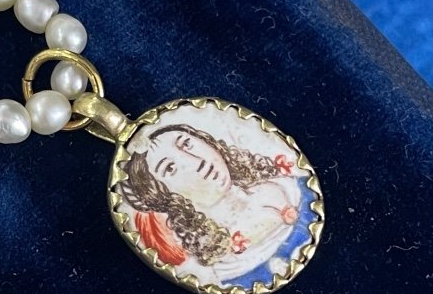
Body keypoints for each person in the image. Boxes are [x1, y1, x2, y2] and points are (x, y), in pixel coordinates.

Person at [118, 121, 303, 285]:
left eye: (187, 144)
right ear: (162, 196)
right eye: (170, 168)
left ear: (208, 141)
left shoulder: (287, 183)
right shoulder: (220, 268)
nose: (197, 163)